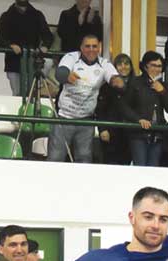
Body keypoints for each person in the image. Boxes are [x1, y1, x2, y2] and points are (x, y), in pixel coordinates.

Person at [48, 34, 120, 164]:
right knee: (55, 157)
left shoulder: (104, 63)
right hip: (64, 117)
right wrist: (66, 75)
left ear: (99, 47)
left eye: (94, 46)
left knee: (84, 159)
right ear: (81, 47)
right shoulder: (71, 57)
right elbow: (60, 73)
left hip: (86, 121)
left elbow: (116, 79)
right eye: (87, 46)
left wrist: (117, 81)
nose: (91, 49)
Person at [119, 51, 168, 167]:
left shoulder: (164, 85)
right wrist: (138, 119)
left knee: (153, 168)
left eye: (159, 66)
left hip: (158, 134)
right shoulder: (135, 82)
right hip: (139, 133)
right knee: (140, 167)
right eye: (153, 65)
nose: (157, 69)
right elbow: (124, 106)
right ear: (145, 66)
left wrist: (162, 92)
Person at [0, 0, 53, 97]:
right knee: (17, 94)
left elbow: (48, 36)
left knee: (33, 93)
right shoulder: (7, 16)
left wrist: (45, 46)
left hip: (33, 59)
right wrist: (10, 45)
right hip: (13, 61)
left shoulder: (37, 15)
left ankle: (37, 88)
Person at [95, 53, 133, 165]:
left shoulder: (136, 84)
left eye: (126, 64)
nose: (123, 67)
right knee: (110, 164)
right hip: (111, 132)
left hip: (130, 133)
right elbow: (100, 110)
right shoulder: (106, 86)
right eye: (119, 64)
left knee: (126, 165)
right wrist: (102, 129)